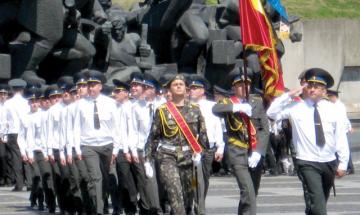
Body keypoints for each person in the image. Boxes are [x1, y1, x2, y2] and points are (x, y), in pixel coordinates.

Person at [267, 68, 350, 215]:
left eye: (316, 87)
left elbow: (340, 137)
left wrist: (343, 163)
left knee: (319, 201)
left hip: (328, 162)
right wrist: (288, 95)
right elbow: (271, 113)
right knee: (318, 206)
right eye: (309, 86)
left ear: (324, 91)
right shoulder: (296, 107)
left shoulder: (333, 109)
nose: (312, 90)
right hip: (307, 162)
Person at [144, 74, 209, 215]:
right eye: (175, 84)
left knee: (188, 197)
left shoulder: (195, 109)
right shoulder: (162, 110)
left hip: (189, 157)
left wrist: (201, 153)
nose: (179, 86)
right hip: (168, 156)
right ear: (169, 90)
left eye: (181, 84)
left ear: (186, 89)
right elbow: (153, 136)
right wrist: (148, 160)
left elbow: (203, 134)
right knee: (175, 194)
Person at [73, 70, 121, 215]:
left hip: (107, 145)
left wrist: (116, 149)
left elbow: (116, 127)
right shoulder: (80, 104)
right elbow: (76, 127)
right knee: (95, 178)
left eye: (94, 85)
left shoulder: (111, 103)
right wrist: (77, 148)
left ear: (101, 86)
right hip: (88, 145)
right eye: (89, 85)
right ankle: (98, 210)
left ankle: (105, 204)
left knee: (106, 178)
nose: (91, 88)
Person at [212, 71, 257, 215]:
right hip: (237, 150)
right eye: (240, 85)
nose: (245, 88)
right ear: (234, 87)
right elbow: (216, 109)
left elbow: (263, 127)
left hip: (254, 151)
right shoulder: (228, 102)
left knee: (251, 192)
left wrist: (259, 151)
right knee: (247, 190)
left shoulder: (256, 101)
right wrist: (236, 108)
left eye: (247, 85)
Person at [189, 74, 224, 214]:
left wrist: (220, 147)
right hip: (193, 147)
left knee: (205, 178)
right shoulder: (186, 106)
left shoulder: (212, 106)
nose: (192, 90)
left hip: (209, 147)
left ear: (203, 90)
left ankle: (199, 201)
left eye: (195, 88)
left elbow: (218, 127)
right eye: (190, 88)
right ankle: (198, 208)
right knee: (195, 180)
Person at [5, 78, 30, 191]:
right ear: (23, 89)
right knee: (27, 155)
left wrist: (3, 134)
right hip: (24, 131)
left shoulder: (8, 103)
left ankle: (19, 183)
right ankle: (29, 181)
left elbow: (5, 120)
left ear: (12, 89)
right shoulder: (26, 102)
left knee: (16, 158)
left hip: (13, 132)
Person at [327, 89, 354, 174]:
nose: (329, 99)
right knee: (339, 148)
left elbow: (343, 118)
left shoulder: (339, 106)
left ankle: (349, 167)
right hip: (339, 129)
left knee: (343, 148)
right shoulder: (335, 105)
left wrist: (349, 127)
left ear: (334, 97)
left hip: (341, 129)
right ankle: (343, 166)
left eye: (329, 97)